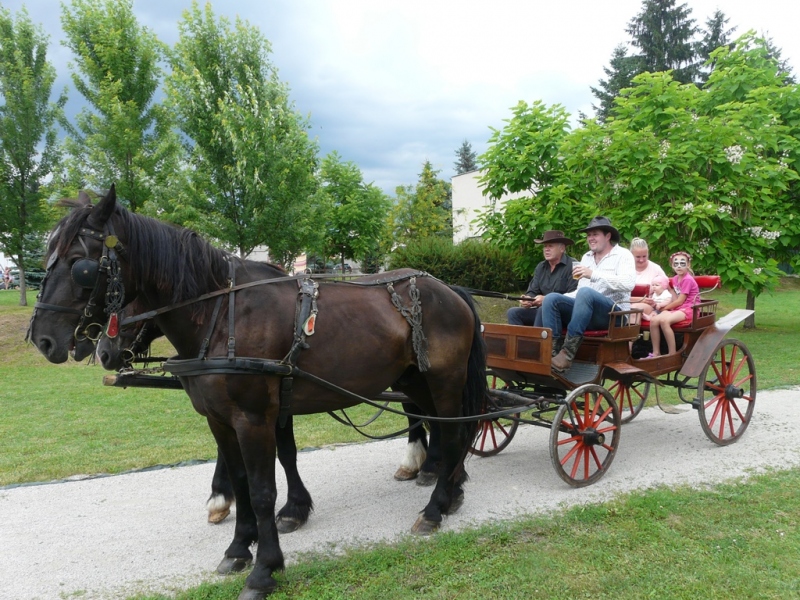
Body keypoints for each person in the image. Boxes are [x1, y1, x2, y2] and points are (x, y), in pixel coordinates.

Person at [541, 216, 636, 373]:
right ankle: (551, 353)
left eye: (595, 234)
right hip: (587, 313)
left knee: (587, 293)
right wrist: (557, 298)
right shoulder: (586, 257)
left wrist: (594, 274)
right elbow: (580, 291)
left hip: (614, 315)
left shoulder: (623, 255)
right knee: (552, 298)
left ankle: (567, 353)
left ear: (608, 236)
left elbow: (628, 284)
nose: (590, 238)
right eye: (588, 235)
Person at [507, 230, 578, 327]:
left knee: (543, 309)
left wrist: (546, 300)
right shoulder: (541, 267)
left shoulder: (573, 266)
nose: (546, 249)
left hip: (564, 314)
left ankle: (537, 342)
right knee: (513, 312)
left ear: (562, 248)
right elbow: (532, 291)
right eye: (545, 246)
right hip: (541, 311)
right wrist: (528, 299)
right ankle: (522, 342)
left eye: (550, 246)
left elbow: (573, 296)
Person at [647, 251, 699, 358]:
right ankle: (656, 353)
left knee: (665, 321)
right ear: (672, 265)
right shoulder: (675, 279)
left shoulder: (688, 280)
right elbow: (675, 298)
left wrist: (665, 308)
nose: (679, 266)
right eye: (676, 264)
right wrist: (669, 290)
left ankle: (672, 354)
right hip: (679, 308)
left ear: (688, 265)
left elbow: (680, 301)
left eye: (682, 263)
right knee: (654, 320)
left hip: (690, 308)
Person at [629, 237, 666, 304]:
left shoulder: (656, 269)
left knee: (636, 309)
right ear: (631, 255)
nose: (641, 260)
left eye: (644, 256)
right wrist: (638, 299)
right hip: (625, 304)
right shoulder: (624, 268)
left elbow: (667, 289)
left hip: (650, 305)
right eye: (638, 257)